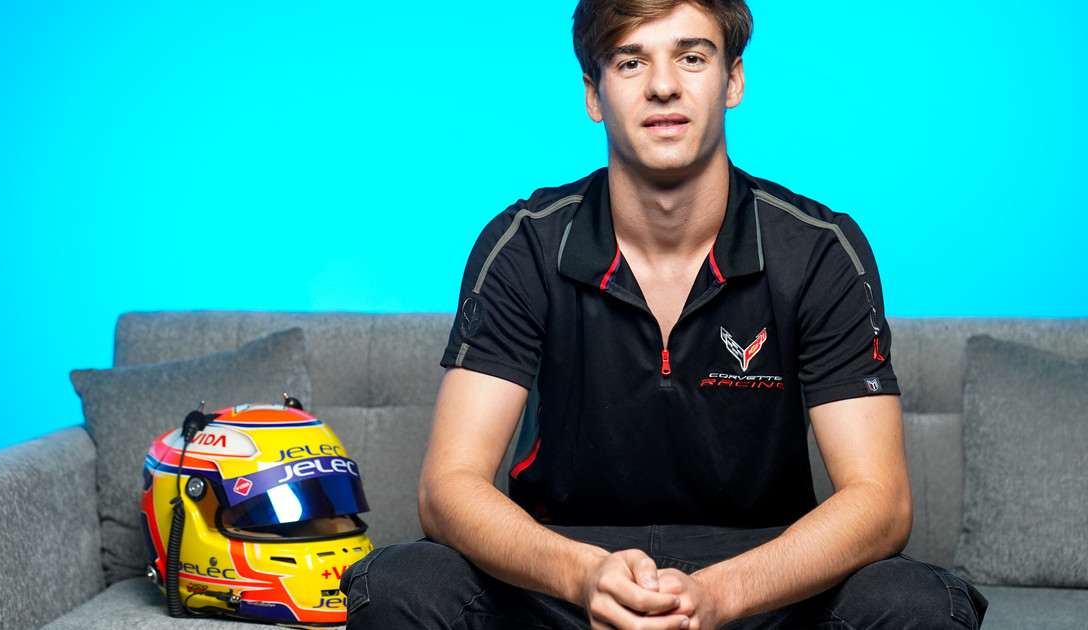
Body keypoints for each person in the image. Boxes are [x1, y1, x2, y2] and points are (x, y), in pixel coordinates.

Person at [341, 1, 988, 628]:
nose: (662, 86)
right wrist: (584, 577)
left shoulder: (817, 250)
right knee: (401, 583)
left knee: (917, 601)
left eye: (692, 57)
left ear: (733, 80)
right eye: (630, 62)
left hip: (760, 578)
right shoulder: (526, 245)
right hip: (564, 573)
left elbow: (881, 502)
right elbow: (448, 487)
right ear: (594, 94)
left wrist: (718, 595)